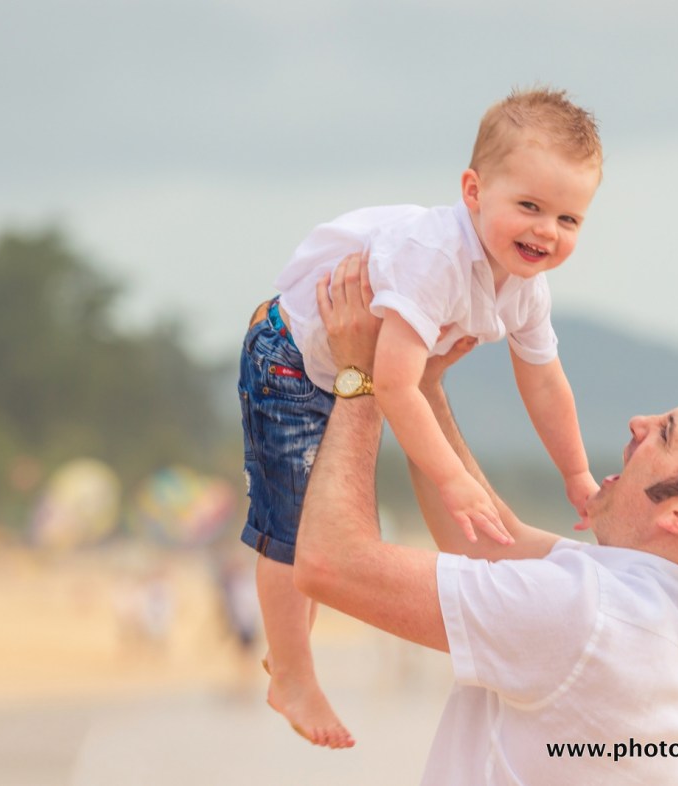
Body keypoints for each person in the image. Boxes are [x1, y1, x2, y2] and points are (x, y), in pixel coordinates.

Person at [293, 255, 678, 783]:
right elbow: (491, 542)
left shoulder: (590, 615)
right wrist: (420, 389)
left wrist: (361, 378)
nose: (639, 423)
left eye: (665, 434)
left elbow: (329, 563)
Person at [238, 86, 603, 746]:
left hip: (346, 369)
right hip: (291, 353)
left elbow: (546, 383)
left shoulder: (525, 287)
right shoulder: (433, 257)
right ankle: (290, 669)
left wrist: (577, 475)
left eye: (569, 219)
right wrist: (454, 479)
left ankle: (292, 662)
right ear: (473, 191)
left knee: (339, 513)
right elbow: (396, 385)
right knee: (293, 522)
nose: (546, 231)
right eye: (528, 206)